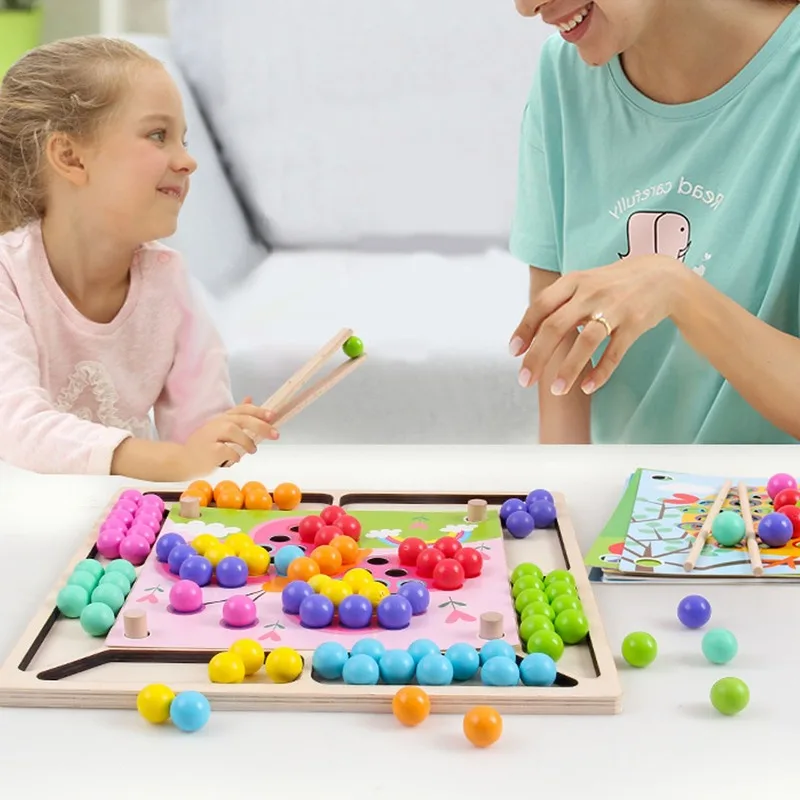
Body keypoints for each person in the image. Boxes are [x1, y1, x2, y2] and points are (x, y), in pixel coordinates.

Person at [508, 0, 800, 445]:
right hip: (622, 508)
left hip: (774, 509)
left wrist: (679, 290)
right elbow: (561, 365)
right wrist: (558, 505)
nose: (526, 6)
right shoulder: (563, 77)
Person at [0, 37, 277, 479]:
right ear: (70, 157)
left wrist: (222, 438)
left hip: (117, 534)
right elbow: (16, 430)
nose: (188, 161)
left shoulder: (169, 281)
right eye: (157, 135)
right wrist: (174, 461)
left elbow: (196, 439)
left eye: (182, 139)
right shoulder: (7, 276)